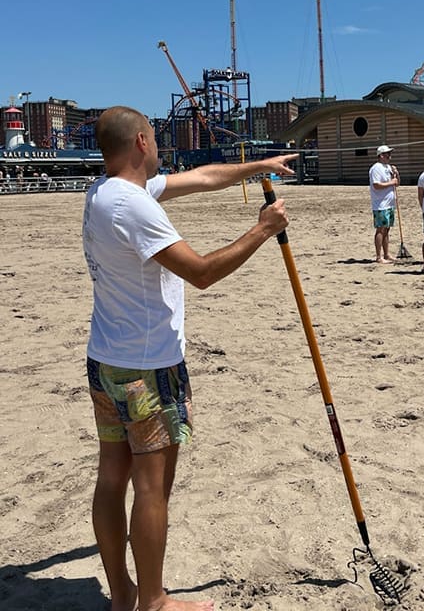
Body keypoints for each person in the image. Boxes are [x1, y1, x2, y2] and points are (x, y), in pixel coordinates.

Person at [83, 106, 296, 611]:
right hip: (147, 367)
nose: (158, 147)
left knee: (112, 476)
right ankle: (155, 600)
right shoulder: (132, 207)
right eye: (154, 138)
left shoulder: (104, 191)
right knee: (151, 485)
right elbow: (200, 273)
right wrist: (262, 229)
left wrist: (255, 167)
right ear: (140, 142)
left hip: (106, 359)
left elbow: (201, 178)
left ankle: (122, 596)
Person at [369, 144, 400, 263]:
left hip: (390, 203)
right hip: (380, 204)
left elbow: (397, 183)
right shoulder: (376, 168)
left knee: (387, 229)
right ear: (381, 155)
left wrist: (396, 174)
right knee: (380, 229)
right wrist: (391, 182)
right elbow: (376, 185)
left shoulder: (388, 167)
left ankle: (386, 254)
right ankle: (379, 256)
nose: (389, 156)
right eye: (387, 154)